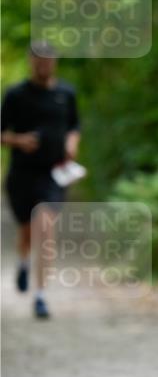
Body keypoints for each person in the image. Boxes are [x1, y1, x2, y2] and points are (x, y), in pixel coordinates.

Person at [1, 42, 81, 319]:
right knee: (27, 231)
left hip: (53, 174)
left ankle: (41, 295)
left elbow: (74, 126)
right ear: (31, 62)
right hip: (21, 175)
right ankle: (23, 262)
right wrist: (18, 140)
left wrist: (72, 143)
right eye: (39, 61)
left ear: (55, 62)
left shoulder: (66, 93)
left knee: (45, 229)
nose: (44, 65)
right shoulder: (15, 95)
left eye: (49, 61)